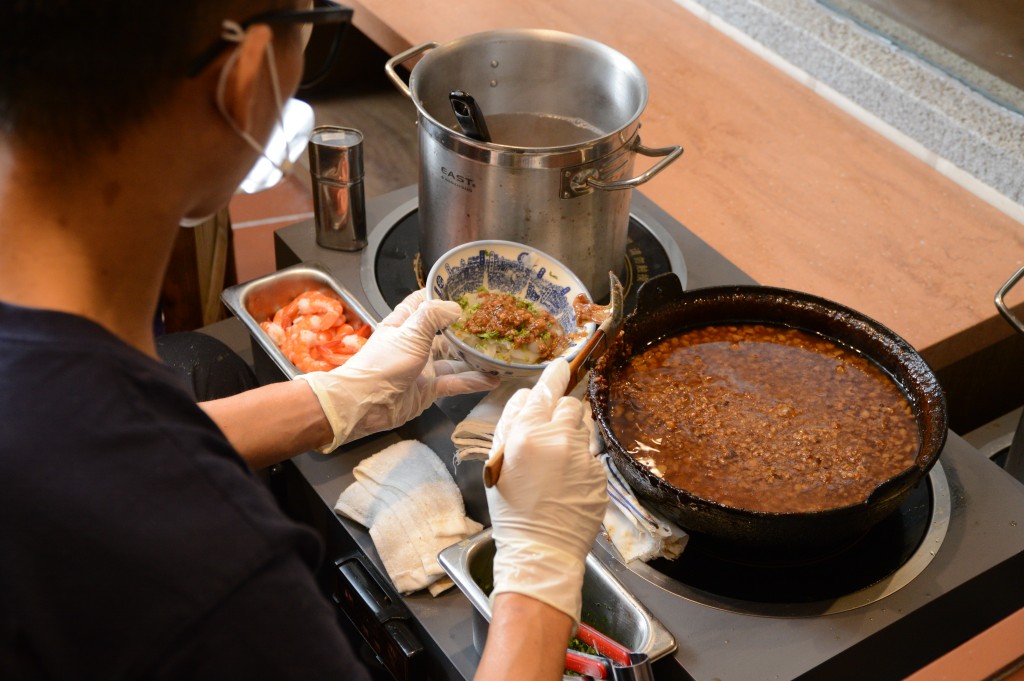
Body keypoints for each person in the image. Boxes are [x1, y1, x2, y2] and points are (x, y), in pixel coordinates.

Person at [0, 2, 608, 680]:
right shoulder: (219, 580)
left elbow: (88, 448)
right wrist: (538, 577)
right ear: (246, 75)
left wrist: (338, 398)